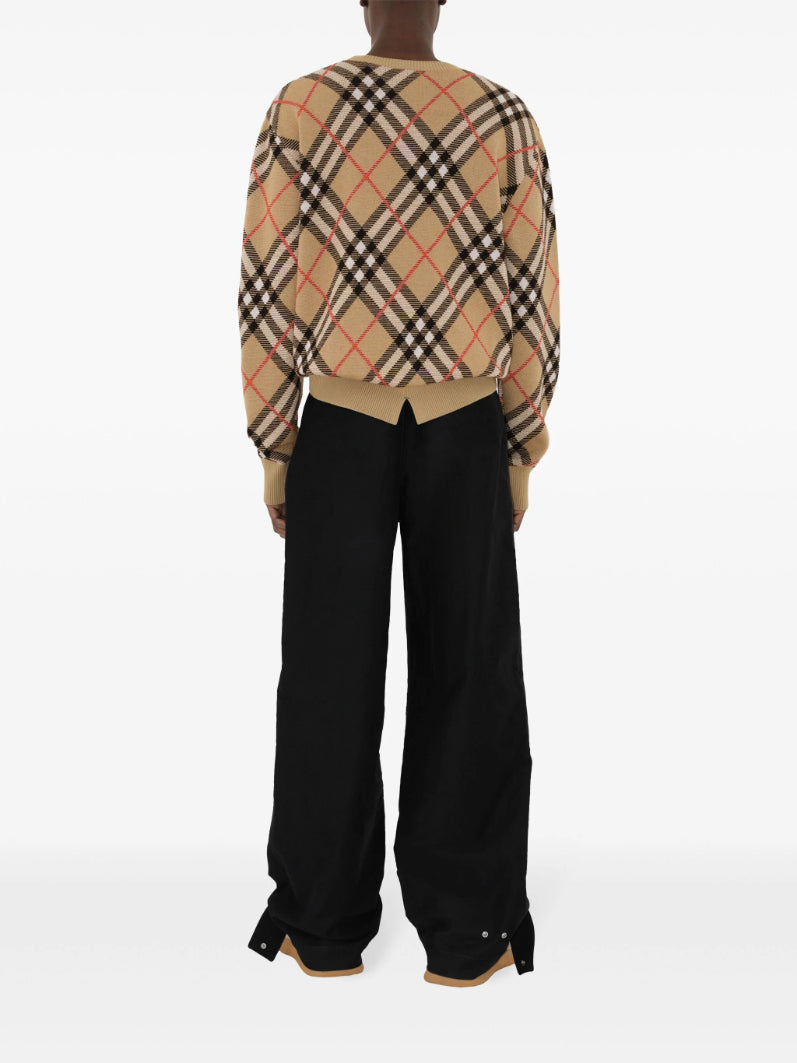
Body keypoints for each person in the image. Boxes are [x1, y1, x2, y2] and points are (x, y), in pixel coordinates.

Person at [238, 0, 559, 987]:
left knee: (326, 673)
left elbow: (266, 285)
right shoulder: (499, 114)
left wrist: (275, 443)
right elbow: (532, 290)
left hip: (338, 425)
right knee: (470, 670)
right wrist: (520, 441)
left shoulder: (303, 107)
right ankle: (466, 932)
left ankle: (322, 922)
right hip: (464, 424)